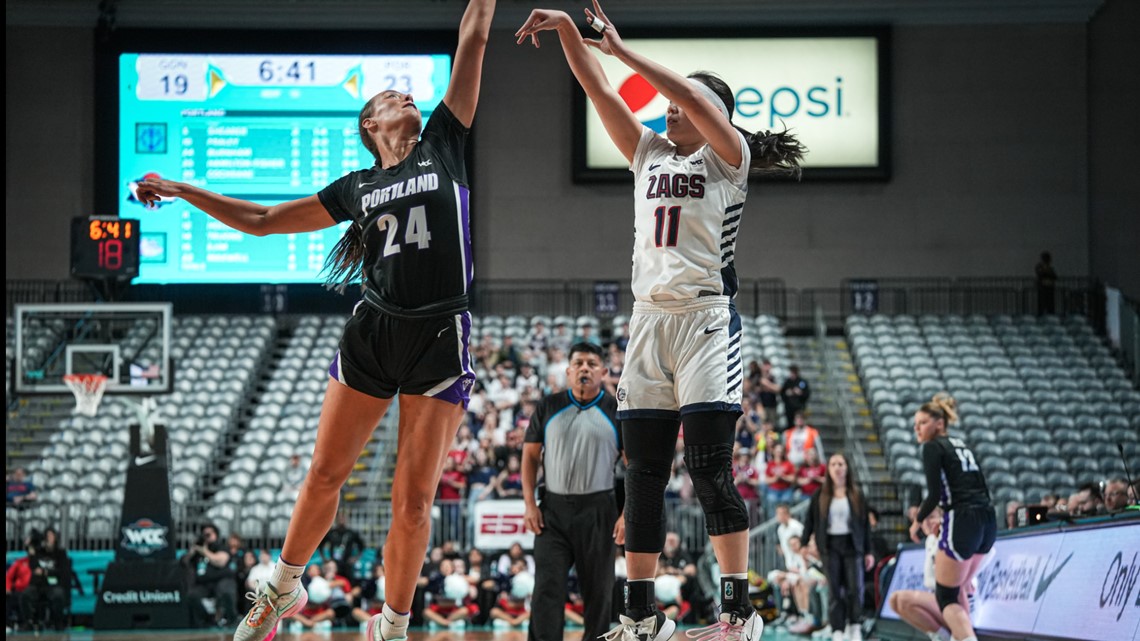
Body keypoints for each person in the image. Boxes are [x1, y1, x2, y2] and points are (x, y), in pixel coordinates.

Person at [136, 2, 497, 639]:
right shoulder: (356, 185)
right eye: (391, 95)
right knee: (324, 474)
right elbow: (262, 221)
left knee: (412, 504)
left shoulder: (446, 140)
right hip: (374, 331)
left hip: (441, 334)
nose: (406, 94)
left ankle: (392, 624)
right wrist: (183, 189)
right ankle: (281, 589)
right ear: (371, 124)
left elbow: (473, 30)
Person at [515, 2, 804, 639]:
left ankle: (738, 610)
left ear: (716, 115)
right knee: (640, 475)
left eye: (685, 103)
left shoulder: (729, 159)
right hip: (648, 322)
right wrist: (570, 31)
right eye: (669, 103)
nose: (670, 108)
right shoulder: (647, 153)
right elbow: (596, 88)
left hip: (705, 322)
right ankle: (640, 614)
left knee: (707, 468)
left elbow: (685, 95)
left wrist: (622, 51)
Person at [521, 342, 624, 641]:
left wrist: (626, 514)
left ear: (604, 372)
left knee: (598, 592)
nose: (584, 369)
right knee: (546, 588)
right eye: (578, 363)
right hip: (552, 510)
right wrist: (530, 504)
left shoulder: (616, 411)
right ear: (567, 371)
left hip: (599, 511)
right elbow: (529, 457)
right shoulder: (548, 406)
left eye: (592, 364)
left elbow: (633, 467)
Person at [908, 394, 995, 641]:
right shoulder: (961, 444)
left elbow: (934, 493)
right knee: (957, 591)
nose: (918, 429)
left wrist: (917, 521)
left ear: (939, 423)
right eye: (915, 425)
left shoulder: (932, 447)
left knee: (945, 595)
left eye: (923, 423)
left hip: (963, 518)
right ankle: (962, 636)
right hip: (987, 519)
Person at [802, 453, 873, 641]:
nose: (837, 467)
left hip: (852, 545)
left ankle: (854, 625)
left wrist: (869, 552)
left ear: (847, 468)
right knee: (835, 590)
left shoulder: (856, 493)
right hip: (830, 546)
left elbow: (865, 526)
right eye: (833, 464)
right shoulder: (820, 494)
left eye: (841, 463)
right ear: (828, 469)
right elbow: (810, 520)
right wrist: (804, 543)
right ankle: (837, 629)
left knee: (855, 589)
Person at [182, 523, 237, 629]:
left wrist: (205, 552)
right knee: (192, 595)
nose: (206, 536)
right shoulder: (199, 549)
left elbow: (220, 561)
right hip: (204, 583)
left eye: (209, 534)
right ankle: (208, 619)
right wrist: (192, 551)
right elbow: (185, 561)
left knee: (225, 592)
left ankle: (232, 620)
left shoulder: (221, 547)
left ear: (216, 535)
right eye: (204, 534)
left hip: (221, 580)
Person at [20, 528, 71, 632]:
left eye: (51, 536)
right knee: (25, 595)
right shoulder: (39, 552)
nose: (49, 539)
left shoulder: (60, 553)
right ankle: (29, 622)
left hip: (53, 585)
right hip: (38, 585)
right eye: (47, 536)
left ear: (55, 538)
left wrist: (45, 572)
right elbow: (33, 567)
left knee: (58, 595)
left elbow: (62, 571)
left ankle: (58, 622)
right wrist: (30, 550)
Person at [1034, 251, 1057, 315]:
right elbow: (1040, 274)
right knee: (1042, 302)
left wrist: (1048, 273)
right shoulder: (1040, 266)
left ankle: (1050, 314)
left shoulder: (1050, 268)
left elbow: (1054, 277)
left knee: (1050, 303)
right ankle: (1041, 314)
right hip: (1042, 287)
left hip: (1050, 287)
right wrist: (1046, 272)